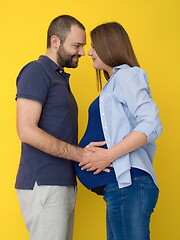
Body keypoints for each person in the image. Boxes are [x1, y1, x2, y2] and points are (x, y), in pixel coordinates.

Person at [75, 22, 162, 240]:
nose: (89, 52)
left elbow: (151, 123)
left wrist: (107, 155)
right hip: (120, 189)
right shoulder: (114, 83)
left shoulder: (127, 76)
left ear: (108, 45)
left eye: (94, 46)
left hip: (129, 185)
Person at [15, 15, 98, 240]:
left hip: (61, 183)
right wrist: (80, 154)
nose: (82, 52)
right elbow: (26, 130)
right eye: (76, 45)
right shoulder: (36, 71)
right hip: (44, 184)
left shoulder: (59, 79)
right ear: (55, 41)